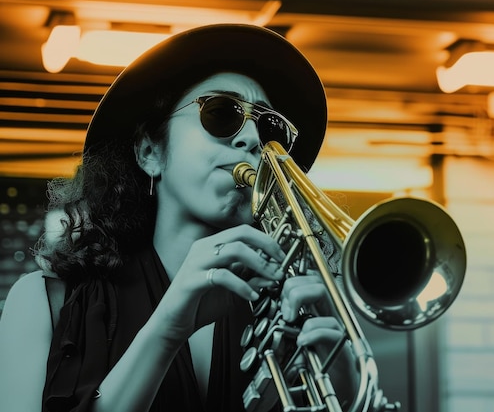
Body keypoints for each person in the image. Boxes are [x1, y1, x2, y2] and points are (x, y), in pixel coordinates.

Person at [0, 24, 346, 412]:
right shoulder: (42, 303)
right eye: (221, 112)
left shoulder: (288, 312)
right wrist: (168, 329)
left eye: (270, 128)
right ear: (150, 151)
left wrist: (343, 386)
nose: (252, 138)